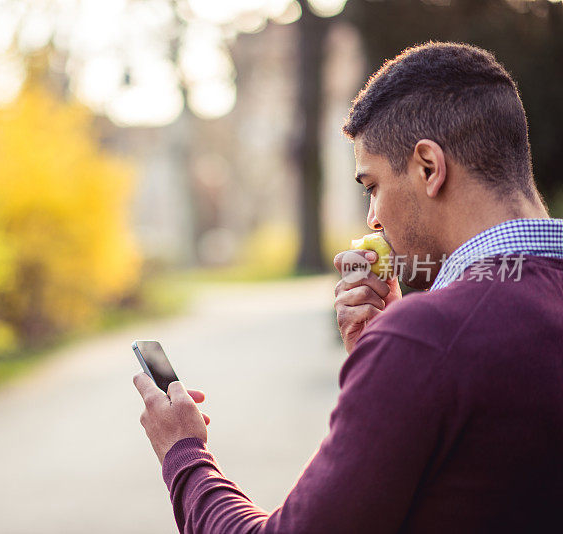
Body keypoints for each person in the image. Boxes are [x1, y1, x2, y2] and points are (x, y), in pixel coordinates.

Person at [132, 41, 563, 533]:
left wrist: (183, 454)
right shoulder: (435, 338)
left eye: (372, 185)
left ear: (428, 167)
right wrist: (379, 357)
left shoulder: (428, 340)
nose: (373, 218)